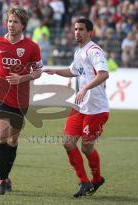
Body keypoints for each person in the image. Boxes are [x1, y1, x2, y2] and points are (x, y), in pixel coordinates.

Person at [44, 18, 109, 198]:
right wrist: (55, 71)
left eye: (81, 29)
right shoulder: (79, 51)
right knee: (68, 142)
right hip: (80, 106)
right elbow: (73, 71)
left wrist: (85, 88)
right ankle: (84, 181)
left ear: (90, 32)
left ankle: (97, 179)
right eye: (75, 29)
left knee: (87, 148)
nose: (77, 32)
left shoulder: (94, 51)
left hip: (96, 108)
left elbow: (104, 74)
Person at [0, 6, 43, 195]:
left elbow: (38, 72)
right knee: (1, 136)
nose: (11, 25)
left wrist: (22, 78)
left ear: (23, 25)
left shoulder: (32, 47)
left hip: (20, 99)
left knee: (12, 140)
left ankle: (6, 177)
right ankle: (1, 181)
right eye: (10, 21)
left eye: (15, 22)